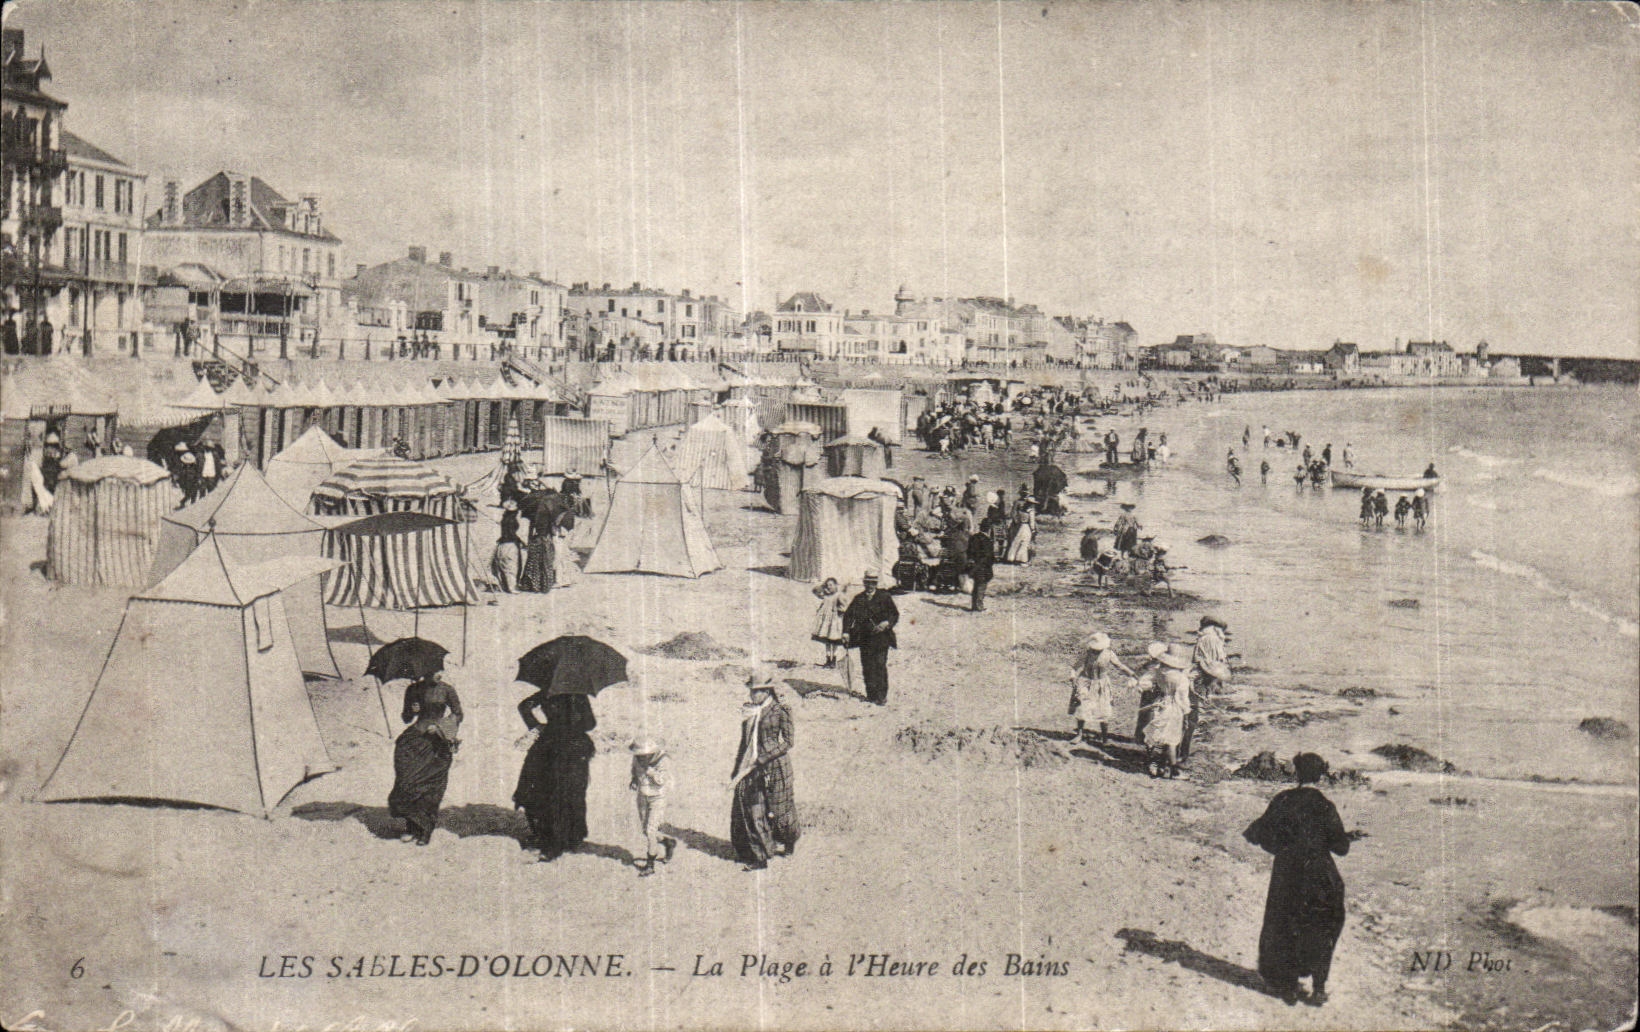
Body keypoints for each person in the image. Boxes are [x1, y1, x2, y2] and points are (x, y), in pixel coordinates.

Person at [1243, 752, 1351, 1006]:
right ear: (1321, 776)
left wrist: (1283, 848)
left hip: (1288, 873)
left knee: (1285, 926)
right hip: (1320, 874)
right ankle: (1319, 988)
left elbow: (1256, 833)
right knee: (1323, 926)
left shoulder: (1283, 799)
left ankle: (1288, 986)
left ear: (1297, 773)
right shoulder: (1325, 805)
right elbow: (1341, 848)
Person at [513, 692, 597, 861]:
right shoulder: (577, 694)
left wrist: (537, 726)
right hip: (568, 748)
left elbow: (524, 707)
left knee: (556, 793)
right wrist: (574, 722)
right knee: (564, 794)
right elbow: (590, 723)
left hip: (552, 745)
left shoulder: (549, 691)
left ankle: (561, 839)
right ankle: (561, 839)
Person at [730, 667, 798, 871]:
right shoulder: (749, 711)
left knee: (781, 812)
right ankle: (759, 856)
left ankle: (789, 841)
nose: (753, 694)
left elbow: (788, 742)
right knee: (752, 809)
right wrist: (738, 768)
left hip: (776, 767)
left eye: (757, 691)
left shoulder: (780, 710)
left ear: (767, 691)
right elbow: (745, 743)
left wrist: (764, 757)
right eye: (751, 691)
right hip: (752, 768)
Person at [387, 672, 464, 846]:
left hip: (437, 743)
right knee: (406, 782)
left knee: (430, 787)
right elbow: (406, 718)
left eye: (441, 670)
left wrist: (439, 726)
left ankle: (425, 830)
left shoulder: (447, 690)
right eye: (434, 670)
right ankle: (411, 827)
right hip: (414, 740)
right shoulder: (413, 689)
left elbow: (458, 714)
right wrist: (411, 710)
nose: (439, 674)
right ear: (425, 671)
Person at [843, 571, 899, 705]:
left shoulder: (884, 596)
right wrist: (846, 632)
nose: (870, 585)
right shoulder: (858, 599)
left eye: (873, 582)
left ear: (876, 583)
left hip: (882, 638)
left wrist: (886, 623)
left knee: (880, 665)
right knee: (867, 666)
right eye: (867, 582)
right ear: (864, 583)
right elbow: (848, 615)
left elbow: (894, 614)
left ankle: (881, 696)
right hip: (865, 638)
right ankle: (871, 695)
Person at [1069, 632, 1135, 744]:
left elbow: (1120, 666)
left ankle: (1104, 738)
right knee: (1082, 707)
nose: (1097, 650)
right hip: (1086, 682)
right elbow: (1075, 667)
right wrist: (1072, 675)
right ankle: (1079, 734)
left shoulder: (1109, 654)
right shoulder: (1087, 653)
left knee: (1104, 709)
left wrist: (1131, 674)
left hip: (1101, 684)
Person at [1184, 615, 1232, 762]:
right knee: (1191, 717)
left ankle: (1182, 751)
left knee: (1190, 715)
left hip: (1198, 677)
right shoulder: (1212, 639)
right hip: (1199, 680)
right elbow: (1214, 663)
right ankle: (1182, 753)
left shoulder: (1205, 638)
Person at [628, 737, 677, 877]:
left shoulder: (663, 760)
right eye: (639, 755)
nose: (641, 758)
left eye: (644, 756)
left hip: (658, 798)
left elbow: (663, 781)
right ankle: (668, 842)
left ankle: (650, 866)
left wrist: (652, 773)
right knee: (645, 830)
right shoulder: (636, 759)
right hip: (642, 796)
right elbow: (634, 770)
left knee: (650, 831)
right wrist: (634, 780)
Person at [1145, 645, 1194, 778]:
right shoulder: (1181, 679)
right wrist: (1186, 713)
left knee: (1159, 736)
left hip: (1160, 703)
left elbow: (1148, 683)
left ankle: (1156, 765)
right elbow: (1183, 698)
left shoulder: (1159, 671)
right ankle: (1173, 771)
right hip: (1174, 707)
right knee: (1172, 740)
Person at [1131, 642, 1170, 747]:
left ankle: (1144, 736)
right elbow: (1138, 674)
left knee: (1150, 712)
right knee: (1148, 711)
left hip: (1154, 690)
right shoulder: (1154, 666)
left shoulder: (1158, 666)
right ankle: (1142, 736)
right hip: (1150, 690)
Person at [519, 497, 557, 593]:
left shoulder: (533, 516)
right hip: (545, 541)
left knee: (533, 564)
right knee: (546, 563)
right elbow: (553, 532)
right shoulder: (549, 516)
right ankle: (544, 586)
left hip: (535, 541)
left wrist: (529, 542)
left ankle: (532, 585)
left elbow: (530, 532)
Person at [810, 577, 846, 667]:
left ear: (835, 585)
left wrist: (839, 611)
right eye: (828, 585)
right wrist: (823, 586)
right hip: (826, 622)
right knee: (827, 640)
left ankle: (833, 660)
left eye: (831, 585)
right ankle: (828, 660)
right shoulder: (825, 595)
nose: (829, 587)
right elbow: (815, 590)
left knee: (834, 640)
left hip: (835, 622)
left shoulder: (838, 595)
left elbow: (844, 607)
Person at [491, 498, 524, 592]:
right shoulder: (512, 520)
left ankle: (503, 586)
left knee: (502, 566)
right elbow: (511, 533)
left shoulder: (504, 519)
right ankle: (511, 587)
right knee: (511, 567)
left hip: (502, 544)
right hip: (510, 544)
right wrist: (520, 541)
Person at [967, 523, 995, 612]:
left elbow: (969, 551)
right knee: (981, 585)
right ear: (989, 529)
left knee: (976, 585)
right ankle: (979, 606)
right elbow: (988, 555)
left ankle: (974, 605)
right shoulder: (987, 540)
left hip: (974, 565)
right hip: (983, 566)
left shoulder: (974, 537)